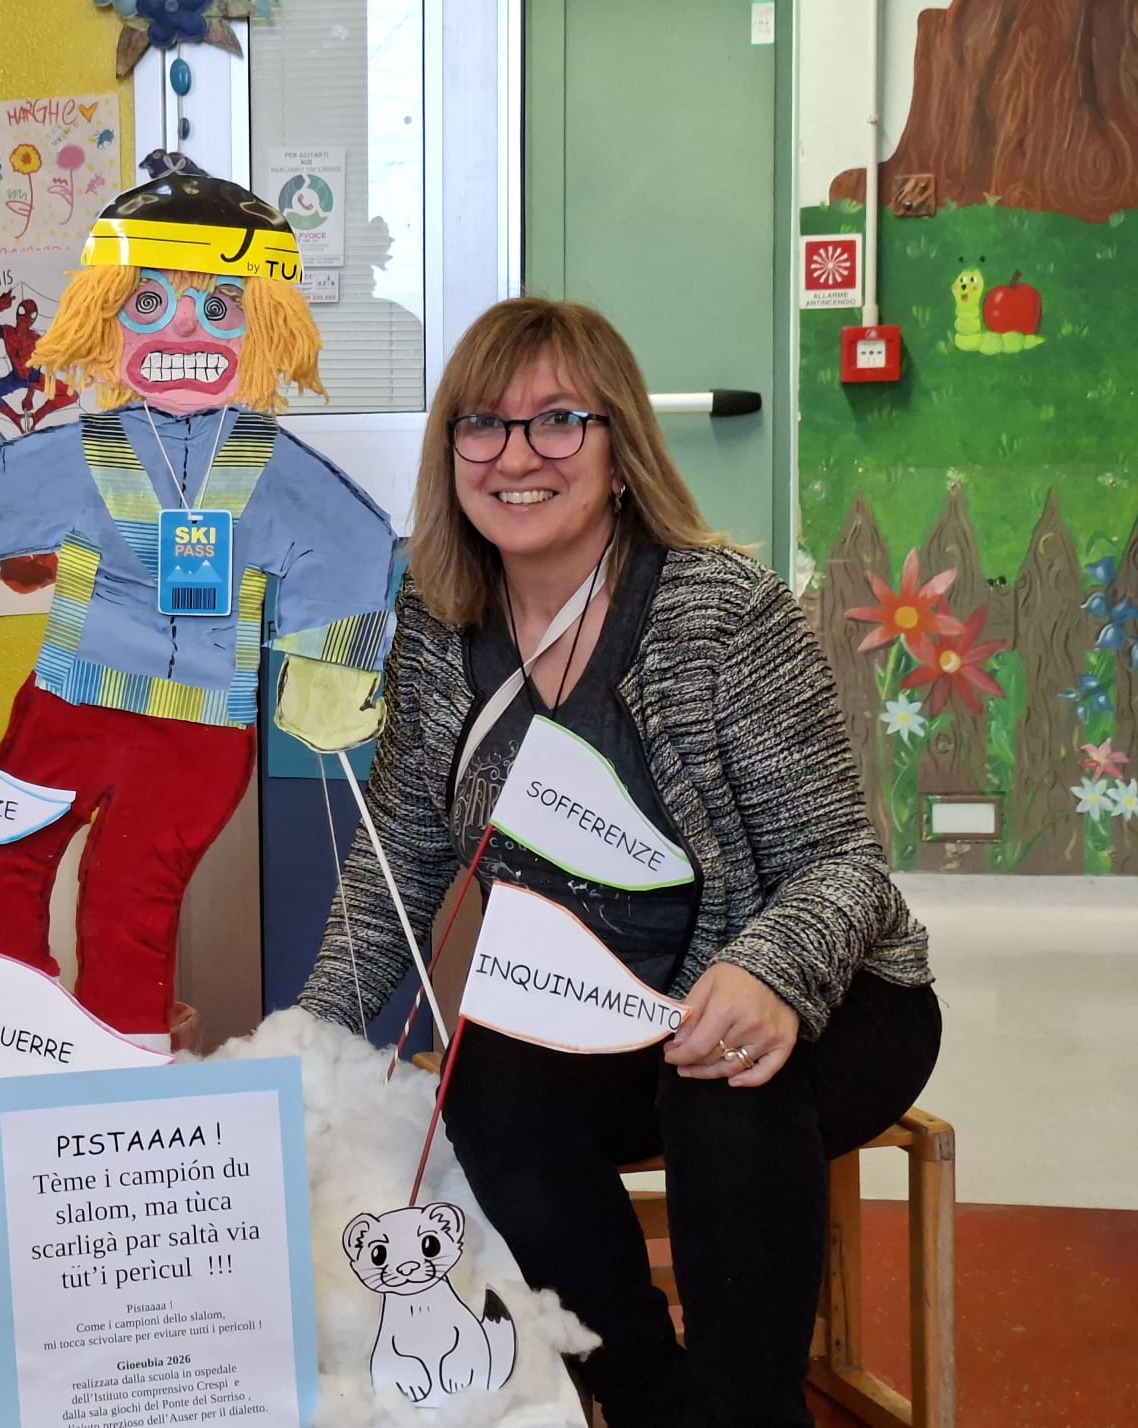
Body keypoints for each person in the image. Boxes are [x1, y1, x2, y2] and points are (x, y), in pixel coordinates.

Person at [297, 298, 941, 1427]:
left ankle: (748, 1414)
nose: (516, 456)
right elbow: (398, 854)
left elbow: (843, 866)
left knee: (724, 1090)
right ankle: (649, 1399)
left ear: (619, 446)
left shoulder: (721, 612)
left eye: (558, 421)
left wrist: (764, 975)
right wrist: (300, 1047)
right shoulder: (441, 624)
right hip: (602, 1011)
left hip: (834, 997)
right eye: (483, 425)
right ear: (450, 450)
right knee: (490, 1088)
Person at [0, 152, 398, 1045]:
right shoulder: (86, 451)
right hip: (71, 702)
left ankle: (126, 1062)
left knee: (130, 897)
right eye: (148, 303)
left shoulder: (274, 468)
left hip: (200, 725)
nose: (183, 328)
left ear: (266, 328)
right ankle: (11, 1042)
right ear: (104, 317)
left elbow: (347, 544)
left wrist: (327, 670)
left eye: (220, 308)